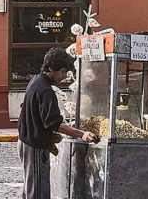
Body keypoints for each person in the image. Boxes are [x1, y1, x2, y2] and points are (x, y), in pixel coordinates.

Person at [18, 48, 96, 199]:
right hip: (35, 146)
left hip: (27, 141)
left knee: (31, 187)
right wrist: (82, 134)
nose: (65, 76)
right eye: (62, 71)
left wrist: (51, 135)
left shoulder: (35, 81)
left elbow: (36, 116)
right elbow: (55, 123)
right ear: (51, 69)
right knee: (38, 191)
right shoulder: (46, 90)